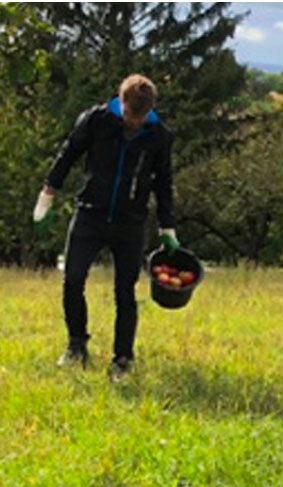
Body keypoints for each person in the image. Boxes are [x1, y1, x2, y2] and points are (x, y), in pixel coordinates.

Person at [33, 74, 178, 381]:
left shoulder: (159, 136)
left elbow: (163, 183)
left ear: (149, 110)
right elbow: (68, 153)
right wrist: (48, 193)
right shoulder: (96, 120)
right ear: (120, 102)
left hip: (130, 221)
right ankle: (76, 346)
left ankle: (123, 359)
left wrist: (168, 228)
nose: (133, 123)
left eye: (139, 118)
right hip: (90, 215)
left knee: (125, 291)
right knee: (72, 280)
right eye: (129, 116)